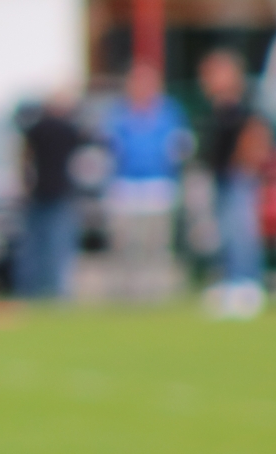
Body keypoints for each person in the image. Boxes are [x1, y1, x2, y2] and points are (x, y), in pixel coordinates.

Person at [102, 61, 193, 300]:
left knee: (156, 242)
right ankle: (126, 291)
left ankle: (156, 290)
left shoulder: (168, 112)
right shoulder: (119, 112)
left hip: (158, 184)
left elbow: (181, 145)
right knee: (126, 242)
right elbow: (109, 146)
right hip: (126, 184)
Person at [197, 49, 272, 318]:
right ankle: (232, 282)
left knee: (241, 232)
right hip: (220, 178)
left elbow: (257, 138)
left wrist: (246, 164)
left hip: (238, 177)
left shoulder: (245, 106)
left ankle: (247, 284)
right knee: (226, 234)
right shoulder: (216, 109)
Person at [13, 90, 86, 298]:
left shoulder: (36, 129)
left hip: (39, 194)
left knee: (35, 249)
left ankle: (31, 291)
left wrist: (25, 186)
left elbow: (24, 158)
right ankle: (56, 292)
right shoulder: (69, 130)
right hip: (60, 195)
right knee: (58, 249)